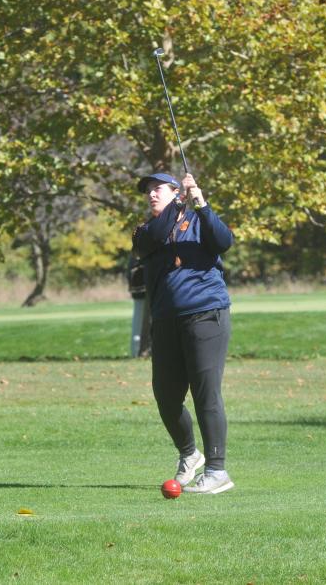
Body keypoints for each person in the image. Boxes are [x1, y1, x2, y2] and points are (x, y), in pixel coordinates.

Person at [131, 171, 234, 494]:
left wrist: (200, 203)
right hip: (165, 320)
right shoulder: (145, 231)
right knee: (166, 395)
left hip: (206, 314)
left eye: (158, 189)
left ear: (175, 190)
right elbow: (160, 235)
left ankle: (217, 471)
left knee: (206, 393)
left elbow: (223, 241)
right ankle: (190, 454)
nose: (151, 195)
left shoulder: (199, 220)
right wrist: (178, 203)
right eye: (148, 191)